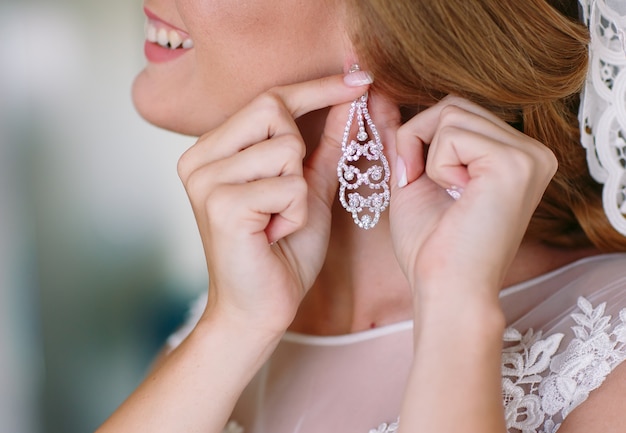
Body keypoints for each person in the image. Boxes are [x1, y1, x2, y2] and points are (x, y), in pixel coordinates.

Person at [97, 0, 626, 432]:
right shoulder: (220, 329)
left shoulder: (606, 353)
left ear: (386, 27)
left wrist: (456, 314)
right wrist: (231, 327)